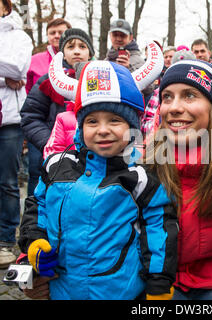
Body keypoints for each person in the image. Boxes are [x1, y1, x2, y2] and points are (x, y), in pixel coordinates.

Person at [18, 53, 178, 300]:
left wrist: (159, 285)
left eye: (115, 120)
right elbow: (37, 208)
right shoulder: (56, 166)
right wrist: (33, 244)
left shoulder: (142, 176)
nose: (103, 130)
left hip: (120, 292)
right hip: (63, 292)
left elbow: (158, 230)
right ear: (81, 127)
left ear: (132, 126)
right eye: (92, 121)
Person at [145, 60, 212, 300]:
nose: (174, 107)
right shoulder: (144, 161)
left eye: (190, 95)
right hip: (157, 279)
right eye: (167, 97)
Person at [20, 28, 95, 195]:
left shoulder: (100, 81)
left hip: (93, 160)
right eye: (70, 46)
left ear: (90, 52)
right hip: (52, 158)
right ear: (62, 53)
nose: (76, 51)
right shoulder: (47, 81)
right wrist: (51, 144)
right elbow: (30, 117)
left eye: (82, 46)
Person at [0, 0, 33, 268]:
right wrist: (5, 76)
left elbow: (18, 69)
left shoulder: (20, 37)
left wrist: (12, 74)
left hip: (9, 120)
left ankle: (6, 239)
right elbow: (8, 71)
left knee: (8, 182)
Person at [25, 18, 72, 197]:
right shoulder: (36, 62)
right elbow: (30, 103)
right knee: (38, 175)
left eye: (60, 32)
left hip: (71, 141)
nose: (56, 36)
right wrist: (49, 142)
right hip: (43, 134)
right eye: (52, 33)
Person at [140, 50, 196, 137]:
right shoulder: (159, 92)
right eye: (177, 68)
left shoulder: (201, 92)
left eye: (187, 69)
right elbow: (146, 123)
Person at [106, 18, 154, 103]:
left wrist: (129, 70)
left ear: (131, 37)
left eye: (122, 35)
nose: (118, 39)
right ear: (110, 35)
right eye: (115, 35)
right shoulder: (105, 61)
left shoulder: (140, 62)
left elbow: (150, 89)